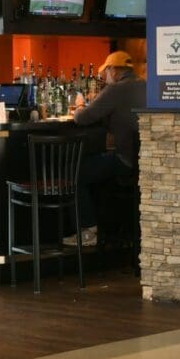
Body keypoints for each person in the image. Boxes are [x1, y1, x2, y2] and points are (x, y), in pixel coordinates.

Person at [73, 50, 147, 233]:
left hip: (124, 160)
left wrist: (80, 104)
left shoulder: (115, 90)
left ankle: (89, 230)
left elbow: (82, 118)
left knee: (75, 173)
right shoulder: (145, 85)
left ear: (113, 70)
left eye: (105, 72)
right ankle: (112, 228)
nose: (104, 77)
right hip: (143, 162)